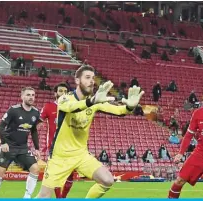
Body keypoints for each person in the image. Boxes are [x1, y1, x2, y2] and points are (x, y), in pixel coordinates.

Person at [36, 66, 144, 198]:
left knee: (107, 180)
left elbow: (118, 111)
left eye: (93, 78)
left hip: (81, 155)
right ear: (77, 80)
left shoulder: (95, 101)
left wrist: (130, 107)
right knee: (44, 196)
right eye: (87, 78)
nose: (92, 81)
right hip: (60, 157)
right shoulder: (65, 98)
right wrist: (91, 101)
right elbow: (72, 108)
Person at [0, 87, 41, 198]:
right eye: (28, 95)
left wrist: (37, 148)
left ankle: (27, 197)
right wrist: (3, 143)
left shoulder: (36, 113)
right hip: (9, 146)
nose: (31, 97)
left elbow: (34, 131)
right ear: (22, 96)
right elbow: (1, 127)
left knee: (35, 169)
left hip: (23, 148)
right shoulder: (13, 110)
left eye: (33, 95)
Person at [39, 83, 72, 198]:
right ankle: (59, 198)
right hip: (54, 146)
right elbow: (38, 120)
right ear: (55, 93)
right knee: (56, 174)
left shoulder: (73, 107)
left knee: (70, 175)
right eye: (60, 91)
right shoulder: (49, 106)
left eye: (65, 91)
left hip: (70, 146)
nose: (63, 93)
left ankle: (63, 197)